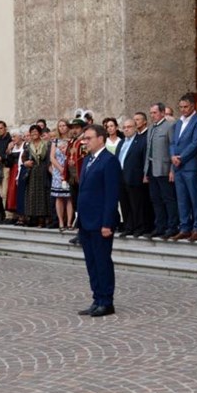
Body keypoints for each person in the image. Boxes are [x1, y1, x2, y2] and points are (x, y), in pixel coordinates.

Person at [75, 124, 122, 318]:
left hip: (101, 222)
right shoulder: (87, 160)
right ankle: (97, 298)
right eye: (84, 138)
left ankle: (107, 302)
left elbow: (112, 195)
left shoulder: (109, 161)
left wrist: (107, 223)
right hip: (86, 221)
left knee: (102, 262)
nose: (85, 142)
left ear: (100, 139)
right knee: (91, 263)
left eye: (88, 138)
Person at [170, 94, 197, 241]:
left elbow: (195, 143)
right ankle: (185, 227)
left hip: (189, 164)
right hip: (177, 166)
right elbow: (172, 142)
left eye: (186, 107)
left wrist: (181, 157)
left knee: (194, 197)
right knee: (182, 198)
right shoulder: (178, 123)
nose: (183, 110)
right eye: (181, 107)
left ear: (192, 106)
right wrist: (173, 156)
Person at [145, 103, 178, 239]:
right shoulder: (151, 128)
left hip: (164, 168)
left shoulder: (169, 126)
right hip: (152, 167)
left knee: (168, 198)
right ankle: (160, 226)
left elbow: (173, 148)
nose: (153, 115)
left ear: (163, 113)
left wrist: (172, 169)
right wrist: (145, 171)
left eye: (155, 113)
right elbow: (148, 149)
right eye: (151, 113)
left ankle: (172, 226)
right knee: (156, 198)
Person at [117, 118, 149, 238]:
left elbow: (144, 158)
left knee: (137, 204)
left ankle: (139, 227)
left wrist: (145, 174)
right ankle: (128, 227)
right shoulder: (121, 142)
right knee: (125, 204)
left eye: (129, 127)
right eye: (124, 127)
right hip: (121, 177)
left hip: (135, 177)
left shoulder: (141, 141)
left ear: (135, 128)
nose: (126, 129)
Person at [22, 125, 52, 227]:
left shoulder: (46, 144)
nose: (34, 133)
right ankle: (32, 217)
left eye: (36, 131)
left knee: (42, 194)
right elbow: (24, 158)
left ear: (39, 133)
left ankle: (42, 219)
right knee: (31, 194)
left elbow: (48, 157)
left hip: (43, 171)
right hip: (32, 172)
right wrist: (25, 163)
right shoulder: (28, 145)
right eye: (32, 132)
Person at [50, 136, 73, 230]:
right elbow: (52, 157)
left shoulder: (70, 139)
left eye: (64, 125)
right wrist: (60, 169)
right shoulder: (55, 141)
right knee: (59, 196)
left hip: (69, 170)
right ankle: (61, 221)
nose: (62, 128)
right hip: (58, 171)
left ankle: (69, 222)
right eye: (60, 126)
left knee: (69, 196)